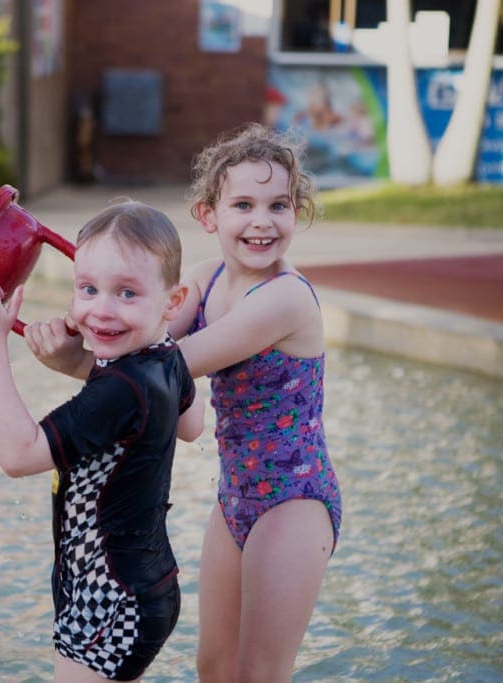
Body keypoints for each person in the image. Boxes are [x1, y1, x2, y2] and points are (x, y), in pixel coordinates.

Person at [26, 123, 342, 682]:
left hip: (294, 498)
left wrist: (75, 359)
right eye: (243, 204)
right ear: (208, 215)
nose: (262, 221)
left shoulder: (286, 297)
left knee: (259, 674)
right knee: (214, 669)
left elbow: (164, 367)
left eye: (280, 205)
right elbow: (134, 340)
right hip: (236, 495)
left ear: (299, 213)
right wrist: (86, 323)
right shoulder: (204, 277)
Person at [0, 200, 205, 682]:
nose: (101, 310)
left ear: (173, 302)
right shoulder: (165, 356)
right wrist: (82, 366)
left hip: (108, 599)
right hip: (146, 587)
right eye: (88, 289)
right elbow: (190, 424)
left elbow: (17, 454)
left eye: (127, 293)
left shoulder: (119, 388)